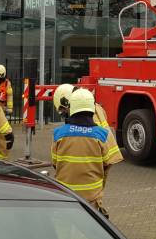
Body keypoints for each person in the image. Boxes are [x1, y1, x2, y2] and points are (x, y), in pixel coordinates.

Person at [51, 88, 122, 217]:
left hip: (66, 196)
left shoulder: (58, 134)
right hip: (92, 200)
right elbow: (107, 164)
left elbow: (55, 164)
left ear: (71, 107)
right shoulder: (102, 135)